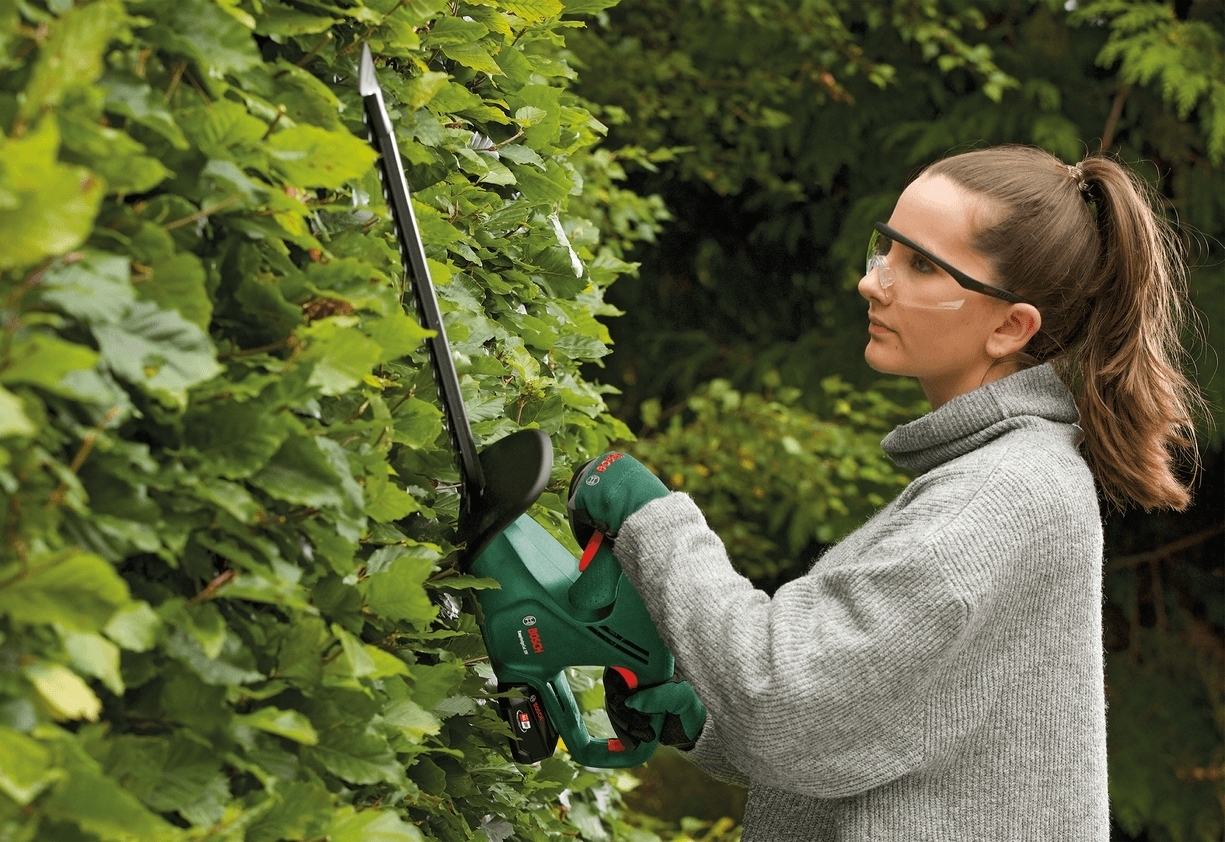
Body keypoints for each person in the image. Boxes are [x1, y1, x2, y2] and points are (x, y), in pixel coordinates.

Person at [567, 145, 1203, 840]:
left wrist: (651, 520)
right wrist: (703, 723)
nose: (872, 282)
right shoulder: (1015, 475)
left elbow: (784, 700)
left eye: (921, 266)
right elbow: (884, 730)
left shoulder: (997, 495)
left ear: (1009, 327)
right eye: (887, 249)